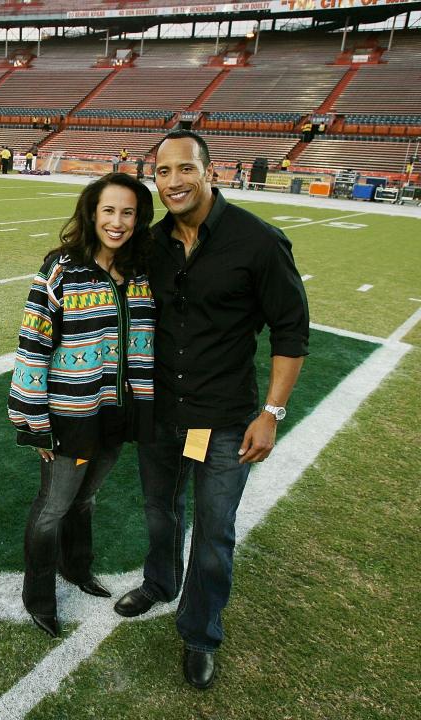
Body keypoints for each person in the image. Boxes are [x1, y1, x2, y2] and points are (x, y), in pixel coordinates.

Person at [112, 130, 308, 689]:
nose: (173, 181)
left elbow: (291, 330)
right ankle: (159, 582)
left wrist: (272, 412)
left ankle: (200, 633)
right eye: (163, 171)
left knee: (215, 530)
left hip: (224, 418)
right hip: (161, 412)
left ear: (210, 171)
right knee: (159, 511)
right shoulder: (152, 244)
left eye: (184, 169)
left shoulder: (258, 241)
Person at [9, 172, 156, 638]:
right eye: (109, 210)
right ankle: (39, 598)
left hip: (116, 411)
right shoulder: (61, 268)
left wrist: (146, 406)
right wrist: (33, 420)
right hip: (70, 412)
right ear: (92, 213)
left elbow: (146, 343)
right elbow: (33, 345)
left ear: (139, 219)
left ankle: (77, 569)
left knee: (86, 500)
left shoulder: (140, 273)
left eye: (128, 212)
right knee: (54, 507)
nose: (117, 221)